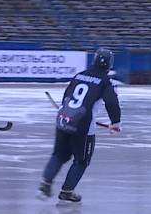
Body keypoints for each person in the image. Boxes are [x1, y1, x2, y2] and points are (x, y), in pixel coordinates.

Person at [38, 49, 121, 203]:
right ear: (109, 65)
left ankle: (46, 183)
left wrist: (67, 111)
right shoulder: (105, 81)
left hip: (64, 119)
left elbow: (67, 96)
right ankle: (67, 191)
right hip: (83, 127)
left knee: (59, 155)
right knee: (81, 161)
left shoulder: (80, 75)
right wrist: (115, 122)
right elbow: (111, 102)